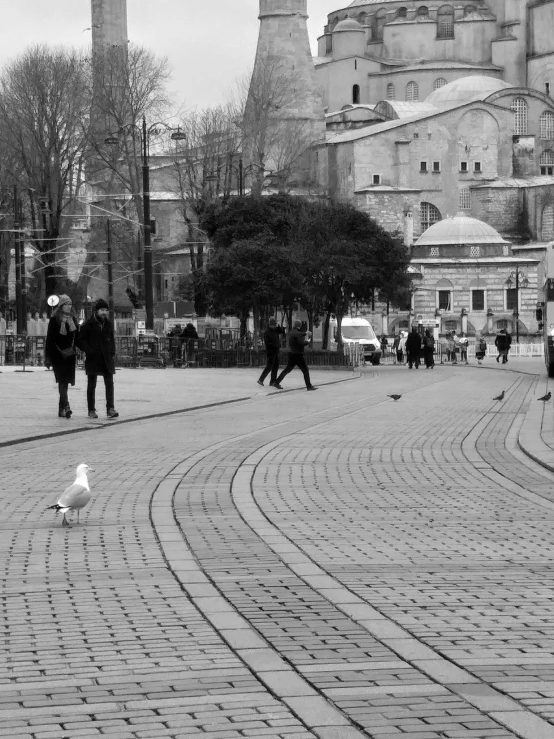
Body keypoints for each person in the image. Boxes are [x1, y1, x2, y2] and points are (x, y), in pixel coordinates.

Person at [78, 298, 119, 419]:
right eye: (102, 310)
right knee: (92, 384)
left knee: (109, 383)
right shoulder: (88, 324)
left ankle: (110, 408)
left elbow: (111, 339)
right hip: (93, 357)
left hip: (106, 357)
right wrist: (88, 350)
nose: (104, 312)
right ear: (96, 311)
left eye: (106, 310)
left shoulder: (108, 324)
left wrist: (112, 352)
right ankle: (91, 410)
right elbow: (80, 340)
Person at [45, 294, 79, 419]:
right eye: (66, 304)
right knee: (62, 381)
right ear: (61, 306)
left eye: (70, 304)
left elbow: (76, 337)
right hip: (57, 355)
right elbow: (49, 339)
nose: (69, 307)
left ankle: (61, 409)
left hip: (69, 355)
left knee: (65, 383)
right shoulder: (54, 320)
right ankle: (67, 406)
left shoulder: (73, 320)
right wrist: (47, 356)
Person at [273, 319, 316, 391]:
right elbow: (301, 342)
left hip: (292, 354)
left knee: (287, 370)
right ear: (299, 326)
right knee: (305, 370)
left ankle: (276, 382)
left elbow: (299, 335)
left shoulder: (292, 332)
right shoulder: (296, 333)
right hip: (297, 355)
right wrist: (307, 341)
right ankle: (309, 386)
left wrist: (305, 333)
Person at [258, 317, 285, 387]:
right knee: (269, 366)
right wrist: (275, 345)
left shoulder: (275, 330)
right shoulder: (267, 332)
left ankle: (272, 381)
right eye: (273, 325)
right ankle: (261, 379)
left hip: (276, 351)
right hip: (270, 351)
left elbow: (281, 331)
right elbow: (267, 342)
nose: (274, 326)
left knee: (275, 366)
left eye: (275, 325)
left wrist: (278, 326)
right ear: (270, 325)